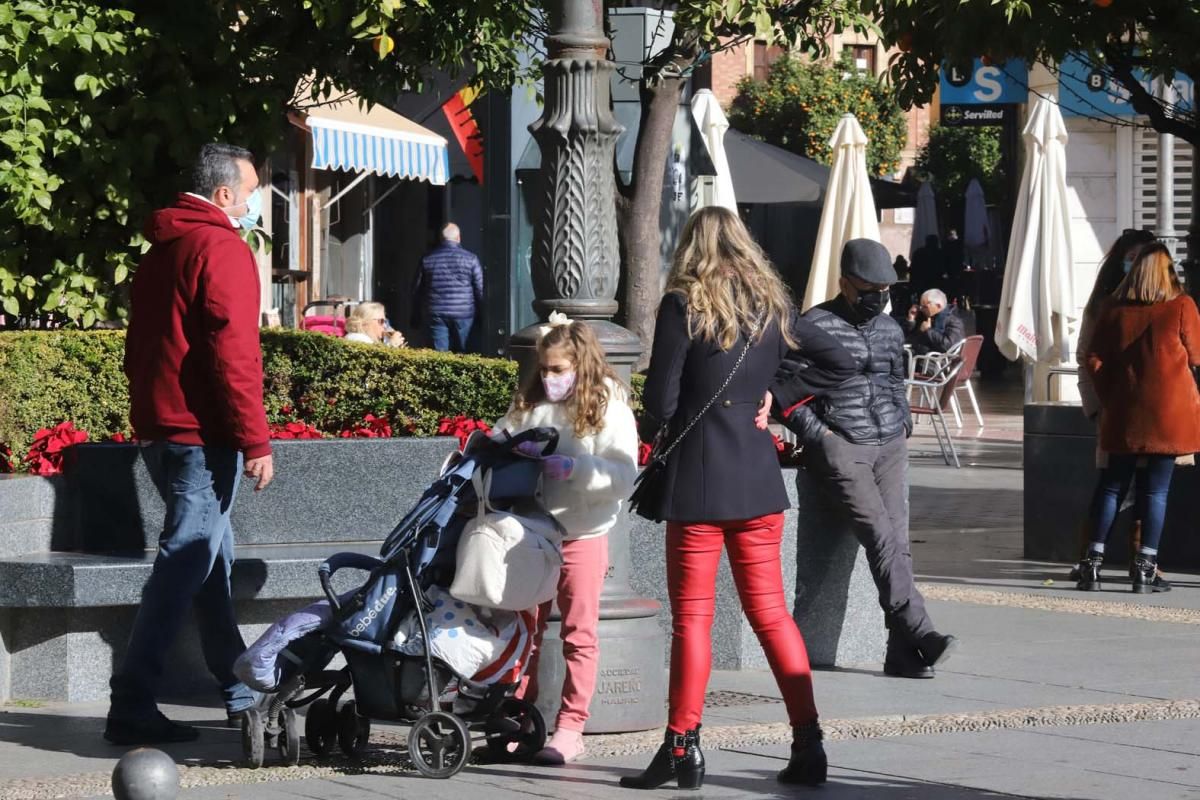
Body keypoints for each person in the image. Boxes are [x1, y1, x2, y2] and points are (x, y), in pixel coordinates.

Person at [623, 207, 857, 791]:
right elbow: (842, 360)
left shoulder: (684, 304)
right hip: (757, 481)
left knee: (694, 621)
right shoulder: (775, 308)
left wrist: (652, 426)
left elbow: (662, 399)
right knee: (772, 615)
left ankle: (682, 747)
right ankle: (809, 742)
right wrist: (776, 399)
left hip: (699, 484)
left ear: (691, 248)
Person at [109, 143, 273, 745]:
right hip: (201, 435)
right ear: (225, 194)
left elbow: (139, 348)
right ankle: (130, 701)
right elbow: (234, 354)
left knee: (209, 564)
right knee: (185, 565)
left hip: (161, 429)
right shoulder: (221, 247)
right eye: (251, 192)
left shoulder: (164, 248)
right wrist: (255, 438)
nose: (253, 204)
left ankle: (237, 695)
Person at [776, 239, 957, 681]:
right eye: (869, 288)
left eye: (885, 288)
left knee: (899, 544)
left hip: (890, 445)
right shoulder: (811, 326)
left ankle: (902, 653)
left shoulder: (890, 328)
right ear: (845, 284)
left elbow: (895, 378)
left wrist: (903, 424)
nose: (879, 296)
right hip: (844, 448)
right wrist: (823, 438)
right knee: (880, 538)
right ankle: (921, 630)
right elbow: (784, 395)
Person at [493, 313, 639, 765]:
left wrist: (577, 471)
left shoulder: (610, 403)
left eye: (559, 369)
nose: (551, 377)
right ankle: (523, 717)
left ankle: (571, 727)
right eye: (546, 368)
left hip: (582, 532)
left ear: (582, 363)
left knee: (579, 633)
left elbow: (623, 472)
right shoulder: (533, 399)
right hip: (533, 529)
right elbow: (506, 431)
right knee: (526, 631)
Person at [1077, 242, 1200, 593]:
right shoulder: (1181, 306)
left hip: (1123, 412)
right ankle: (1145, 568)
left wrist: (1110, 393)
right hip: (1170, 414)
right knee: (1155, 492)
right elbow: (1197, 353)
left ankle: (1091, 564)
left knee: (1112, 485)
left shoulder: (1114, 309)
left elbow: (1093, 357)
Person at [413, 223, 484, 352]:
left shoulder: (427, 259)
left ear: (441, 239)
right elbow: (479, 289)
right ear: (458, 237)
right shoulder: (471, 259)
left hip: (436, 313)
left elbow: (417, 289)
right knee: (464, 354)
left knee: (440, 356)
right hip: (464, 313)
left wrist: (416, 315)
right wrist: (482, 313)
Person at [903, 288, 965, 356]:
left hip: (936, 361)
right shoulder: (926, 316)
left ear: (938, 306)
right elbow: (908, 338)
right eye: (920, 306)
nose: (921, 309)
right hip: (917, 355)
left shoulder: (953, 320)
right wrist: (911, 319)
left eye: (925, 307)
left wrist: (928, 330)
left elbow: (948, 346)